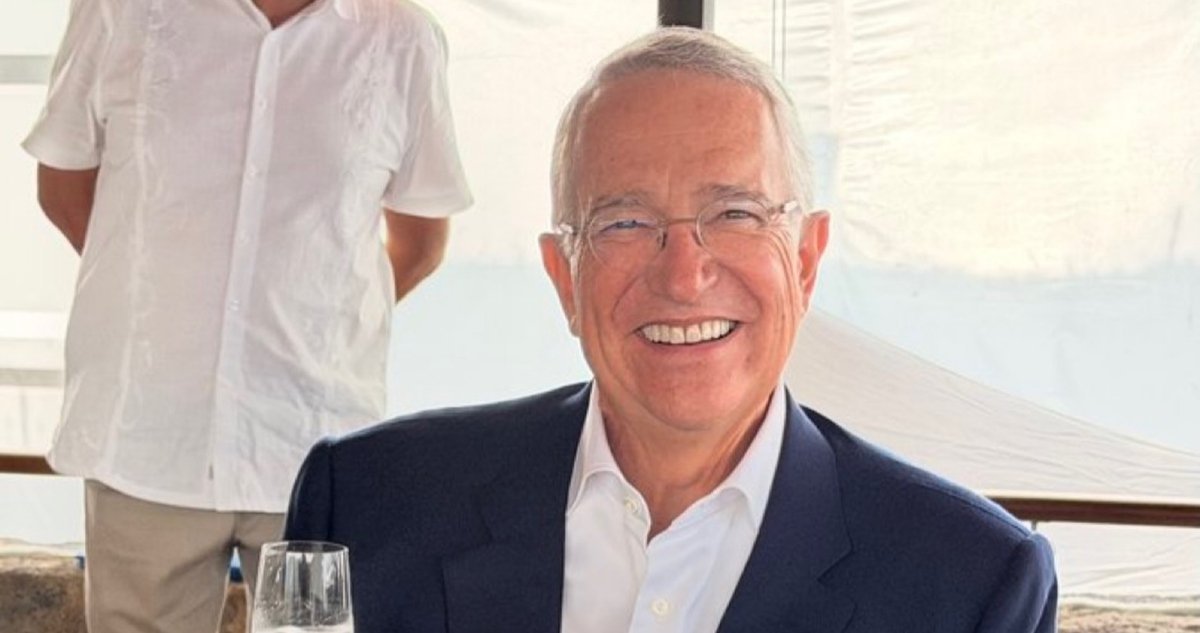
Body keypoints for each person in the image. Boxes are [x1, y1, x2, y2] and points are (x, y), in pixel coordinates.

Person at [284, 27, 1057, 633]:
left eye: (736, 213)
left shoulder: (971, 584)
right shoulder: (367, 502)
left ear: (806, 261)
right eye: (624, 221)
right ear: (564, 277)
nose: (684, 275)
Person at [23, 0, 471, 631]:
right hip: (145, 439)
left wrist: (310, 318)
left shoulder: (402, 38)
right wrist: (158, 296)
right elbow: (63, 187)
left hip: (312, 449)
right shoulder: (121, 11)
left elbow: (421, 240)